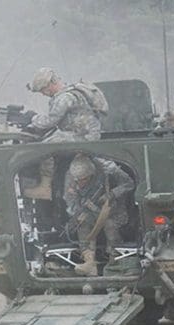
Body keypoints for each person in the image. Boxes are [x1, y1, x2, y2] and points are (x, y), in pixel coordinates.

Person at [23, 67, 105, 200]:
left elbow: (51, 120)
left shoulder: (65, 97)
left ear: (50, 84)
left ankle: (45, 187)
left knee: (44, 148)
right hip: (84, 134)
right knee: (52, 139)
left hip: (84, 137)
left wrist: (32, 118)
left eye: (43, 90)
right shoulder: (68, 94)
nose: (44, 94)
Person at [63, 155, 135, 276]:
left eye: (84, 179)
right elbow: (69, 200)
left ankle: (115, 262)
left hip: (113, 210)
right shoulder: (71, 176)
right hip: (89, 211)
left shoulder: (108, 169)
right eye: (77, 180)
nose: (80, 183)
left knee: (110, 225)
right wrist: (78, 213)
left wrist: (112, 194)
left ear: (92, 174)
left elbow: (129, 184)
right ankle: (89, 263)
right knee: (83, 224)